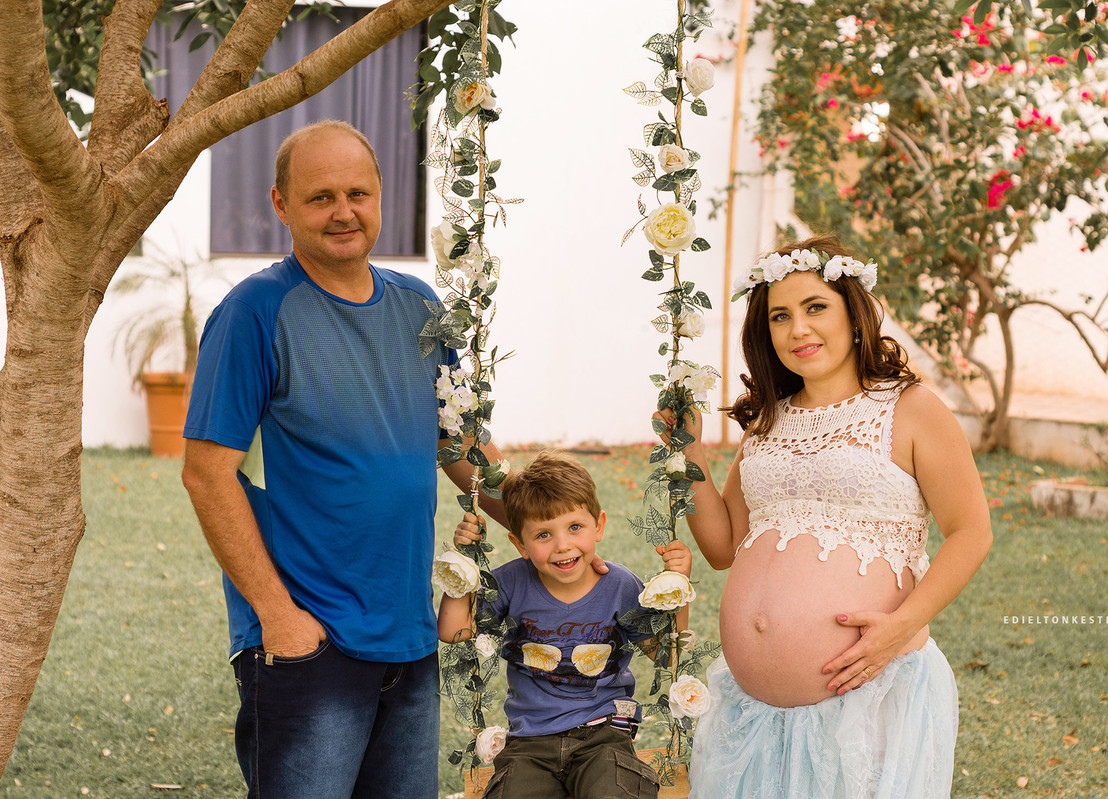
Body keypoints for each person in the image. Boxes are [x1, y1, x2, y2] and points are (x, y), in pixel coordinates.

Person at [180, 120, 507, 799]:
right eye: (320, 196)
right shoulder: (255, 313)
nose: (343, 211)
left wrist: (555, 520)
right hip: (308, 639)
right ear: (280, 204)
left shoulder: (420, 308)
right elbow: (206, 473)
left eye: (357, 192)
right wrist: (278, 616)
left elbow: (460, 447)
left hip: (410, 631)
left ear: (381, 197)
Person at [658, 234, 993, 798]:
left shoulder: (909, 408)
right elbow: (722, 547)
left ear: (855, 316)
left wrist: (902, 625)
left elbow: (972, 532)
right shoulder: (769, 422)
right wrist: (686, 453)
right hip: (752, 714)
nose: (798, 330)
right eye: (780, 317)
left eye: (816, 308)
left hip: (864, 696)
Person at [439, 450, 691, 799]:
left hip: (603, 734)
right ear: (519, 544)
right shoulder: (511, 583)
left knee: (613, 790)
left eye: (575, 527)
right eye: (543, 535)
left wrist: (677, 584)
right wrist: (462, 566)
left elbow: (665, 652)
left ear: (598, 525)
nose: (562, 546)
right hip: (530, 740)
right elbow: (455, 631)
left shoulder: (618, 586)